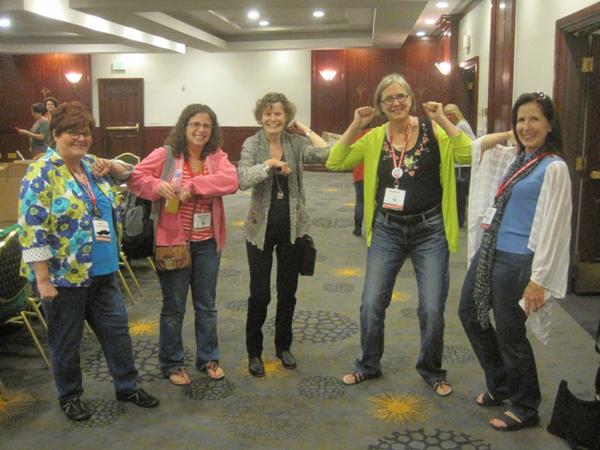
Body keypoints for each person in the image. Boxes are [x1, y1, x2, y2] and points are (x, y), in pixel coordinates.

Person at [326, 73, 472, 395]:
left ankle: (432, 369)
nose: (395, 103)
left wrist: (442, 120)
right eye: (388, 98)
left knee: (432, 307)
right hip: (387, 230)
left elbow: (466, 155)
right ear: (380, 105)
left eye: (401, 96)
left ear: (411, 99)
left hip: (430, 230)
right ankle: (368, 364)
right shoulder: (375, 137)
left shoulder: (434, 131)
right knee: (371, 304)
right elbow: (335, 161)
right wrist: (354, 126)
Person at [18, 101, 159, 421]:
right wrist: (42, 278)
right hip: (64, 276)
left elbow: (133, 176)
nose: (81, 139)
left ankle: (127, 385)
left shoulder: (91, 165)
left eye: (85, 133)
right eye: (72, 133)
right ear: (56, 135)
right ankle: (69, 395)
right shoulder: (41, 173)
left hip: (104, 269)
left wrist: (112, 164)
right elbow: (32, 227)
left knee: (118, 333)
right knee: (66, 341)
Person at [459, 92, 571, 431]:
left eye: (535, 119)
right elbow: (476, 147)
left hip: (519, 259)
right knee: (469, 312)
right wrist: (508, 136)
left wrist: (539, 279)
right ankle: (501, 383)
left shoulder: (554, 168)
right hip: (491, 250)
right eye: (520, 120)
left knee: (510, 332)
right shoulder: (515, 158)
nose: (526, 126)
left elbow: (555, 228)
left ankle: (526, 405)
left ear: (550, 125)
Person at [129, 104, 238, 386]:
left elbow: (230, 180)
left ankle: (208, 358)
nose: (201, 130)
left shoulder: (216, 157)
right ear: (184, 126)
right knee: (174, 307)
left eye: (206, 125)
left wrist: (197, 185)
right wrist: (157, 187)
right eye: (195, 124)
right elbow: (137, 177)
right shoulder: (166, 155)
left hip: (207, 243)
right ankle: (172, 363)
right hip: (173, 243)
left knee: (206, 305)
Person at [237, 92, 329, 377]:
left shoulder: (296, 143)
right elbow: (242, 179)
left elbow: (327, 153)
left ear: (286, 116)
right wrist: (269, 164)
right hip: (259, 230)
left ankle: (283, 345)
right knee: (260, 294)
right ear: (260, 117)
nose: (272, 119)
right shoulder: (252, 144)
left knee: (288, 293)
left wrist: (304, 129)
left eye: (278, 113)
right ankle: (254, 351)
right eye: (267, 113)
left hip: (293, 229)